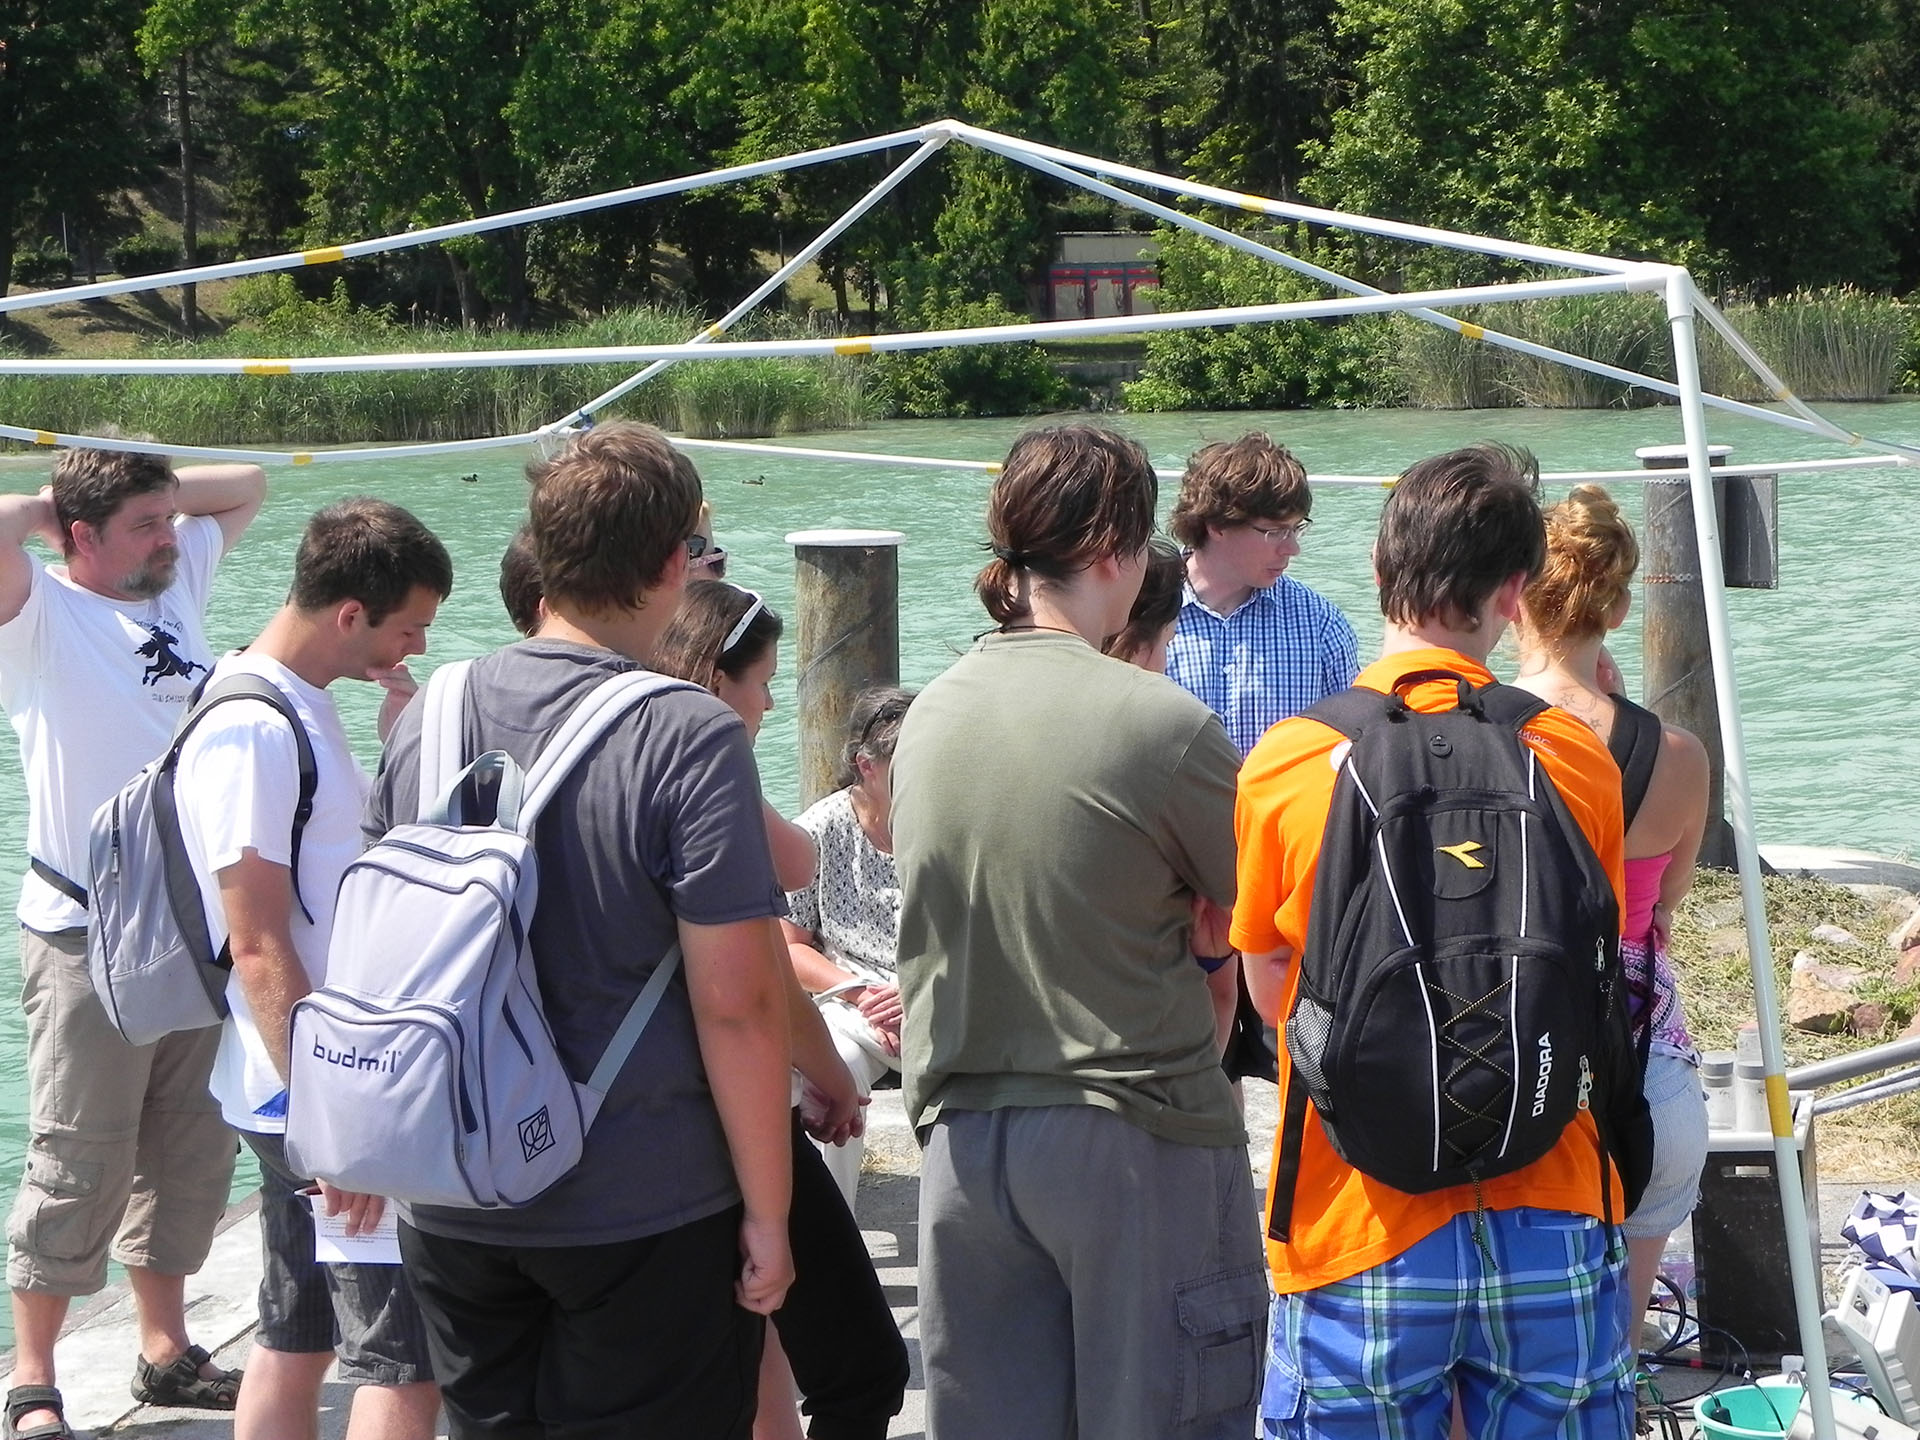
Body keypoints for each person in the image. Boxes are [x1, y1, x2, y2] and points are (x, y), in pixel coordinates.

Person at [370, 422, 795, 1438]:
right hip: (639, 1198)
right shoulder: (686, 732)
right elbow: (737, 1006)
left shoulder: (432, 710)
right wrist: (771, 1214)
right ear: (672, 564)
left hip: (453, 1188)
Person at [1231, 443, 1634, 1439]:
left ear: (1379, 568)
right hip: (1552, 1185)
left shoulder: (1290, 760)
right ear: (1514, 592)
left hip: (1355, 1211)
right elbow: (1594, 962)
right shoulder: (1573, 755)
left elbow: (1272, 987)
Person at [891, 423, 1266, 1440]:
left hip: (965, 1143)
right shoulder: (1161, 722)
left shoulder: (929, 714)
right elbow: (1271, 914)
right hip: (1133, 1135)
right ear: (1114, 550)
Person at [0, 448, 266, 1438]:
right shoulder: (37, 614)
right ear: (79, 538)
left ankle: (164, 1348)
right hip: (84, 933)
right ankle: (33, 1380)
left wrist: (144, 496)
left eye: (167, 520)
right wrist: (50, 503)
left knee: (191, 1145)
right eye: (145, 526)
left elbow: (248, 482)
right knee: (78, 1153)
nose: (170, 538)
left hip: (196, 927)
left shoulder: (173, 578)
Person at [172, 498, 450, 1440]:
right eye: (409, 627)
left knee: (297, 1335)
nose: (417, 646)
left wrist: (401, 737)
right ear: (350, 614)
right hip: (313, 1096)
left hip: (294, 1087)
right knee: (404, 1361)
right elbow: (257, 940)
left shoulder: (290, 702)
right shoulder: (254, 729)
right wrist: (336, 1131)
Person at [655, 582, 909, 1440]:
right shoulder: (699, 752)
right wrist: (831, 1078)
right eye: (761, 682)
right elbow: (762, 957)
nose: (769, 703)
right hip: (722, 1113)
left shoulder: (513, 718)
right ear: (713, 679)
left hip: (616, 1123)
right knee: (862, 1370)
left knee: (741, 1345)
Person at [1512, 484, 1711, 1342]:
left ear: (1513, 597)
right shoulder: (1678, 756)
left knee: (1512, 1353)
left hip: (1518, 1069)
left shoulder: (1476, 738)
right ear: (1621, 607)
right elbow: (1662, 909)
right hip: (1646, 1079)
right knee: (1614, 1359)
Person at [1164, 433, 1360, 1090]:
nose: (1292, 548)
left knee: (1305, 1074)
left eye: (1297, 530)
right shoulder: (1143, 616)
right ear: (1216, 524)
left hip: (1286, 895)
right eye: (1276, 531)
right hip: (1176, 892)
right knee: (1191, 1080)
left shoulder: (1321, 624)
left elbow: (1352, 762)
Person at [781, 686, 917, 1204]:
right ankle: (835, 1218)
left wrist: (919, 992)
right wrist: (863, 993)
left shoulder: (946, 822)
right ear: (866, 765)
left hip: (937, 995)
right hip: (855, 1003)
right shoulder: (818, 830)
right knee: (832, 1068)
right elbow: (789, 947)